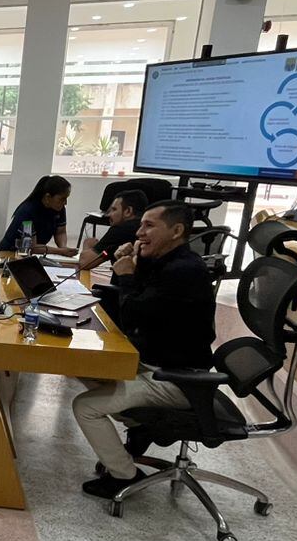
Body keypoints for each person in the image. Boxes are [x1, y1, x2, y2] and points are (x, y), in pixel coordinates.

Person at [73, 201, 216, 500]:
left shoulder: (185, 271)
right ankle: (141, 427)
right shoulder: (165, 261)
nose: (139, 233)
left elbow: (135, 314)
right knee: (84, 366)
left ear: (177, 231)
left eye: (149, 226)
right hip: (153, 361)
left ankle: (124, 476)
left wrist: (125, 275)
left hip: (175, 378)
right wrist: (133, 265)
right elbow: (138, 303)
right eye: (141, 225)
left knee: (86, 407)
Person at [64, 188, 147, 271]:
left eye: (114, 209)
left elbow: (85, 263)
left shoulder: (121, 229)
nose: (109, 215)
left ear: (128, 211)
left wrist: (87, 245)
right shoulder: (147, 228)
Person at [0, 174, 72, 253]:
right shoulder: (27, 212)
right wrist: (60, 251)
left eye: (66, 198)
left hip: (32, 255)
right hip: (9, 254)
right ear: (47, 197)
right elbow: (32, 247)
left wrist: (64, 248)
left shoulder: (59, 209)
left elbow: (60, 232)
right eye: (62, 199)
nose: (65, 203)